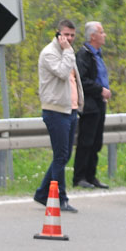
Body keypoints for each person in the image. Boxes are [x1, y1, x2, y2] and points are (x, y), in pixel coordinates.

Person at [34, 19, 84, 213]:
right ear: (58, 33)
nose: (69, 38)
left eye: (72, 35)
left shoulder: (66, 53)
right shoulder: (50, 53)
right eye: (66, 34)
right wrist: (68, 51)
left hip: (70, 110)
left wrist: (78, 105)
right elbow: (63, 73)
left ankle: (42, 193)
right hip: (55, 111)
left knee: (64, 155)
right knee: (61, 155)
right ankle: (60, 197)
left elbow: (73, 80)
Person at [73, 21, 111, 190]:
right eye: (102, 32)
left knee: (96, 142)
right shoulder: (83, 54)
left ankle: (91, 176)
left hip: (99, 104)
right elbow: (82, 80)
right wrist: (100, 90)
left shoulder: (98, 54)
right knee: (86, 142)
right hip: (89, 105)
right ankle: (79, 177)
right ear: (93, 36)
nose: (104, 36)